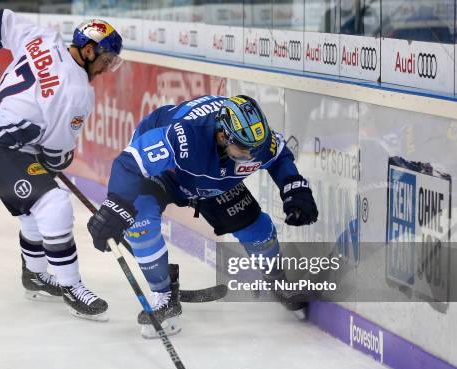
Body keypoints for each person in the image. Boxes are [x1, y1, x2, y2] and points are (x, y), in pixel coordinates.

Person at [87, 95, 318, 337]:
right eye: (243, 150)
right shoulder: (184, 136)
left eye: (255, 151)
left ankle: (277, 278)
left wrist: (295, 188)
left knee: (257, 231)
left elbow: (279, 157)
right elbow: (128, 164)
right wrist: (115, 207)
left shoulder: (256, 139)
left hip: (211, 181)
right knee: (140, 223)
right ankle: (163, 295)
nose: (250, 157)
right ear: (222, 134)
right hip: (166, 174)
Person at [0, 9, 123, 321]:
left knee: (35, 203)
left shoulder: (43, 39)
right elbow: (56, 155)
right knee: (53, 202)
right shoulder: (77, 93)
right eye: (105, 61)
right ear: (89, 51)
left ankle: (35, 274)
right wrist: (49, 162)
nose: (105, 69)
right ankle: (71, 285)